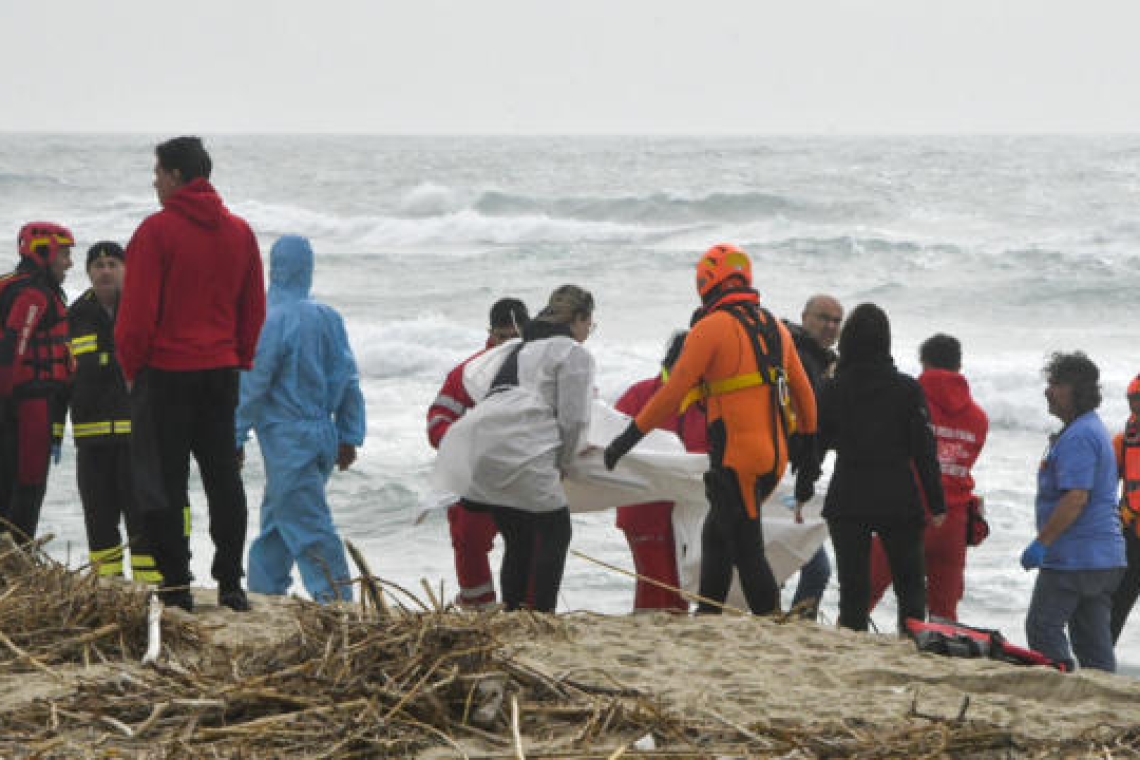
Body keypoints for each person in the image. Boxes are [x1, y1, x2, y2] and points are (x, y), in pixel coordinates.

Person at [605, 244, 817, 616]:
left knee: (748, 549)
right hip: (774, 456)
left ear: (706, 282)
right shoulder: (775, 328)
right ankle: (708, 616)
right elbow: (805, 395)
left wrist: (626, 440)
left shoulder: (711, 327)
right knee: (715, 535)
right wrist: (808, 452)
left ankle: (771, 623)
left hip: (739, 458)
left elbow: (673, 392)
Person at [117, 136, 266, 612]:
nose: (154, 180)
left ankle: (177, 583)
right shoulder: (240, 232)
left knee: (165, 481)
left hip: (166, 372)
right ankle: (230, 583)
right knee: (223, 477)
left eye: (158, 172)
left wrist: (129, 367)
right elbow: (253, 308)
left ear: (177, 177)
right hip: (220, 371)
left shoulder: (156, 232)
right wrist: (239, 356)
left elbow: (137, 313)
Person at [439, 284, 595, 612]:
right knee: (556, 532)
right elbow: (574, 419)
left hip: (481, 444)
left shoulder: (520, 349)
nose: (588, 333)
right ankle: (540, 615)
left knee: (519, 536)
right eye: (589, 325)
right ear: (579, 318)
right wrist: (565, 463)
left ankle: (513, 611)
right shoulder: (572, 352)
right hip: (521, 448)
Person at [800, 303, 945, 633]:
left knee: (853, 588)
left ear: (848, 340)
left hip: (849, 495)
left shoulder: (834, 388)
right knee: (910, 586)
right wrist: (936, 503)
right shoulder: (907, 389)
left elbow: (817, 445)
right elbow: (924, 450)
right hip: (898, 496)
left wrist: (803, 488)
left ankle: (852, 645)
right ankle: (911, 643)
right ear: (885, 341)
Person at [235, 235, 365, 604]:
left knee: (308, 524)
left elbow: (253, 384)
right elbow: (348, 379)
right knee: (279, 520)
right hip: (323, 431)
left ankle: (337, 601)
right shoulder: (328, 317)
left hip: (287, 437)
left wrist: (234, 434)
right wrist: (349, 434)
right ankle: (264, 591)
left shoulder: (269, 319)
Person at [867, 333, 988, 622]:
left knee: (865, 591)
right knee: (944, 611)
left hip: (905, 511)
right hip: (953, 519)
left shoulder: (908, 400)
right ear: (959, 366)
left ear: (924, 363)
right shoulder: (978, 417)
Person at [1022, 352, 1125, 672]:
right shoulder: (1090, 428)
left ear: (1078, 391)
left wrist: (1042, 543)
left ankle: (1062, 684)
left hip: (1075, 558)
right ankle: (1101, 697)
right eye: (1048, 383)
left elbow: (1076, 497)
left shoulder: (1080, 435)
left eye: (1057, 384)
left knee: (1042, 627)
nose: (1048, 390)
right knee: (1093, 644)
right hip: (1105, 558)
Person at [426, 297, 529, 609]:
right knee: (468, 536)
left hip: (523, 472)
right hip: (475, 475)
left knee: (532, 542)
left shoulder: (540, 369)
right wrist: (462, 444)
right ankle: (478, 606)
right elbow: (437, 420)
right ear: (490, 333)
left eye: (515, 337)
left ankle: (527, 607)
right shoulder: (466, 373)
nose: (508, 344)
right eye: (502, 336)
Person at [67, 241, 160, 582]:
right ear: (89, 272)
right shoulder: (74, 316)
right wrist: (52, 431)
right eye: (98, 265)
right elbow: (62, 379)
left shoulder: (143, 309)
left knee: (142, 520)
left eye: (112, 264)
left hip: (137, 440)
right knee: (99, 520)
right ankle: (107, 590)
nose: (105, 271)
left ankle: (150, 591)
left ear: (127, 270)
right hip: (91, 444)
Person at [613, 330, 707, 613]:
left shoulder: (707, 400)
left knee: (682, 586)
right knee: (657, 586)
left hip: (692, 510)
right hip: (645, 508)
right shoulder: (640, 395)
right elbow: (613, 445)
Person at [0, 222, 74, 543]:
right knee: (28, 485)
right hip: (28, 403)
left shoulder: (10, 284)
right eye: (65, 255)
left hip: (19, 403)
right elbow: (14, 347)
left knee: (8, 482)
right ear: (44, 252)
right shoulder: (32, 294)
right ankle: (19, 557)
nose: (69, 263)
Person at [783, 294, 843, 619]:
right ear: (805, 316)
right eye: (824, 318)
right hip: (784, 473)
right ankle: (793, 624)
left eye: (837, 321)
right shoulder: (797, 355)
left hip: (800, 475)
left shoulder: (823, 361)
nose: (831, 326)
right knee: (816, 566)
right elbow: (813, 420)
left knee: (803, 560)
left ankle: (787, 623)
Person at [1111, 374, 1140, 643]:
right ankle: (1098, 665)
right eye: (1133, 402)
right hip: (1131, 537)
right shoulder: (1126, 439)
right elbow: (1100, 483)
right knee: (1114, 607)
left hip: (1131, 527)